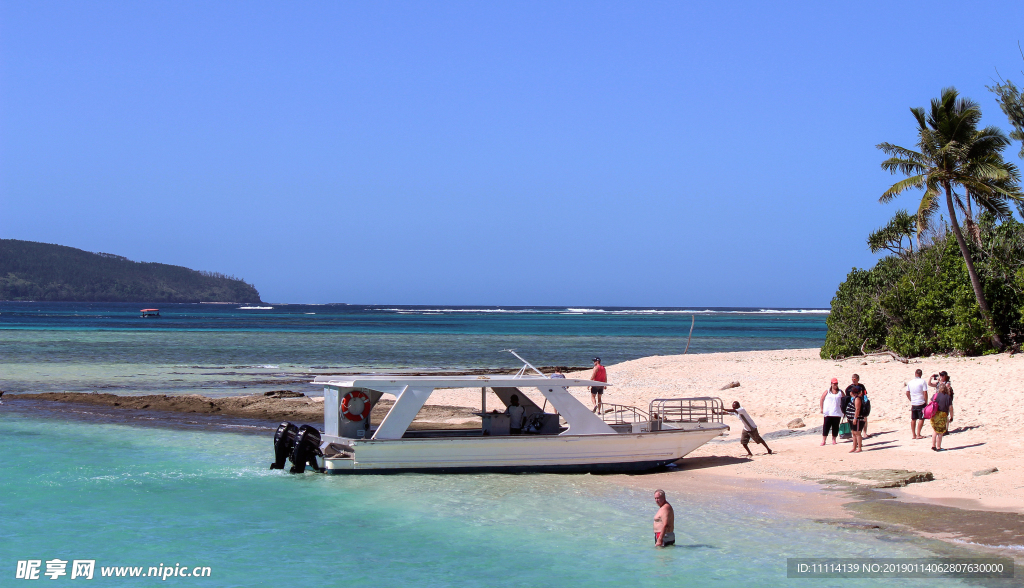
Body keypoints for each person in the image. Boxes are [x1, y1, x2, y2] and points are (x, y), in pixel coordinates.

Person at [906, 369, 929, 439]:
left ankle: (913, 435)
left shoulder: (910, 382)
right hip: (921, 402)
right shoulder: (922, 381)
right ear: (921, 374)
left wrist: (911, 399)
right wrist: (926, 401)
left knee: (913, 419)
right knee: (921, 418)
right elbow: (925, 393)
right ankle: (918, 434)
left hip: (914, 403)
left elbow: (907, 393)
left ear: (915, 373)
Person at [820, 378, 844, 445]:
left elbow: (844, 399)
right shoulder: (827, 391)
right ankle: (823, 440)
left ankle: (834, 439)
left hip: (837, 412)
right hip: (828, 412)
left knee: (835, 426)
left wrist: (844, 410)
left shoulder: (840, 392)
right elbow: (822, 399)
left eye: (836, 383)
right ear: (831, 384)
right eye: (834, 384)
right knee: (826, 426)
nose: (835, 385)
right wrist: (822, 408)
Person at [930, 383, 954, 451]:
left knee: (935, 431)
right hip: (942, 414)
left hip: (934, 414)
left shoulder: (935, 395)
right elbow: (951, 408)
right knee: (940, 432)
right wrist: (951, 416)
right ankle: (938, 447)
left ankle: (933, 446)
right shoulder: (947, 397)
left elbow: (930, 404)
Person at [844, 386, 865, 453]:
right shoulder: (853, 399)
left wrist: (855, 418)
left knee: (857, 433)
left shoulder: (857, 399)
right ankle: (854, 447)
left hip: (857, 419)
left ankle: (859, 447)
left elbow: (857, 409)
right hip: (851, 418)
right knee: (853, 433)